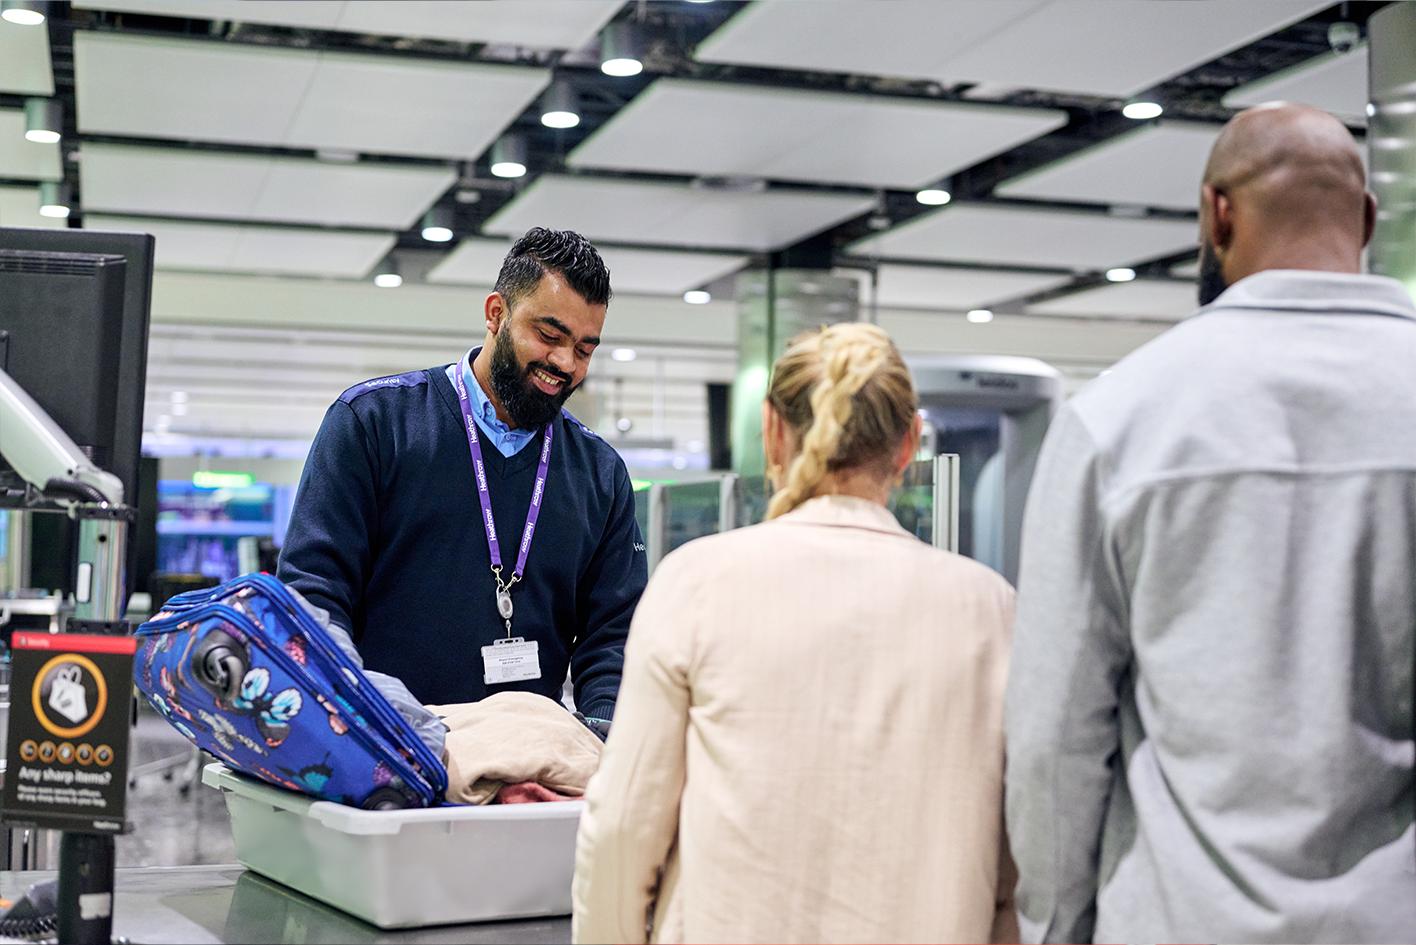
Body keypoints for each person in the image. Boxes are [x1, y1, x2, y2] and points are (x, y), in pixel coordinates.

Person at [1006, 103, 1416, 944]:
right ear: (1366, 219)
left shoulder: (1120, 417)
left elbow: (1055, 738)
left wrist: (1054, 925)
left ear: (1216, 214)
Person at [573, 323, 1018, 944]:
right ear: (910, 442)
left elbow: (622, 830)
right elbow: (1012, 864)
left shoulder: (697, 584)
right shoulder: (990, 610)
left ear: (773, 432)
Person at [278, 228, 646, 729]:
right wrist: (357, 723)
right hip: (387, 751)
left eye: (584, 349)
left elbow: (614, 638)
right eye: (549, 336)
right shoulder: (374, 422)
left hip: (526, 770)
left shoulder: (600, 475)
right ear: (496, 314)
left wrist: (604, 739)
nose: (565, 363)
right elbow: (314, 596)